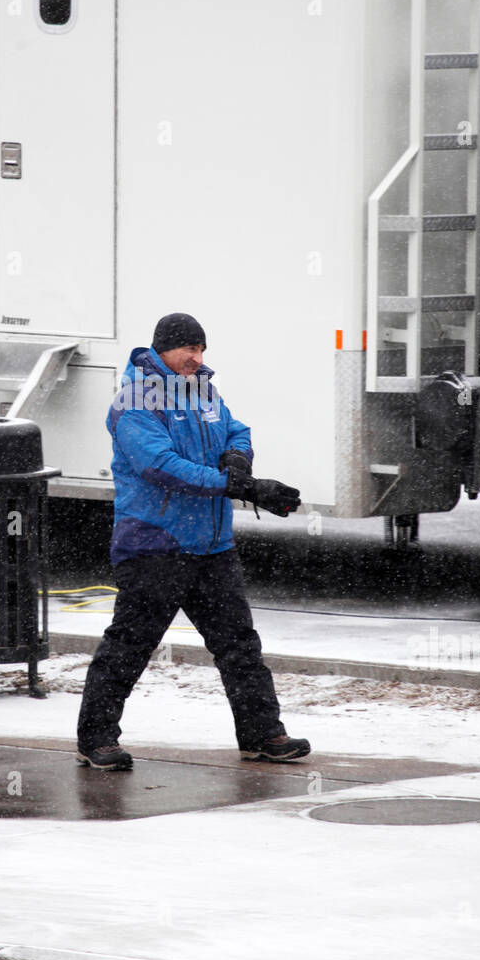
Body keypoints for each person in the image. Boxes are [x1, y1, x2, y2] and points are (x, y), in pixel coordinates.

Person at [76, 312, 311, 770]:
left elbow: (235, 428)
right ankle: (96, 739)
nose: (196, 357)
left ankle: (263, 734)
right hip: (155, 545)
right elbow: (161, 466)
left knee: (240, 645)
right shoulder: (135, 400)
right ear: (163, 349)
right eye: (189, 349)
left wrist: (237, 458)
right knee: (129, 647)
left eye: (201, 349)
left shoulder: (204, 388)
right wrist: (240, 487)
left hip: (212, 545)